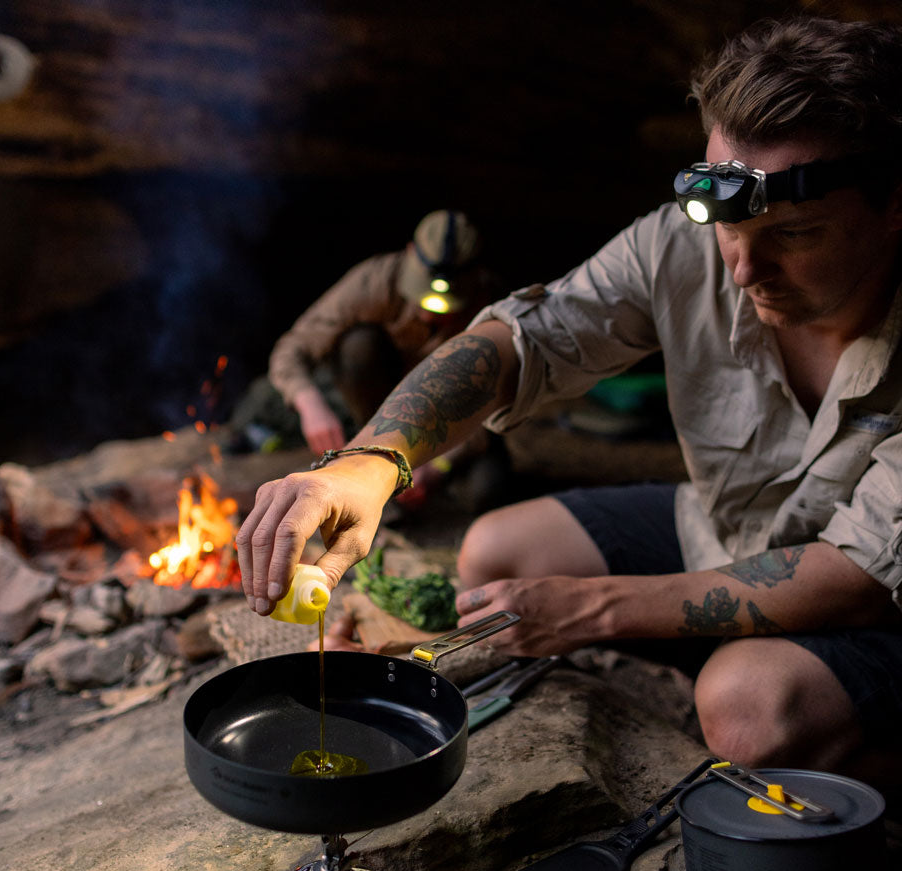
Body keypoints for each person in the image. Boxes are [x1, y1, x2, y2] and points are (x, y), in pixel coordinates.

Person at [235, 15, 902, 785]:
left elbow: (855, 578)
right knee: (494, 555)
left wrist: (596, 609)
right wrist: (370, 462)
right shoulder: (680, 247)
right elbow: (522, 342)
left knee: (748, 709)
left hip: (875, 601)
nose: (743, 270)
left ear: (894, 202)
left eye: (797, 233)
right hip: (734, 531)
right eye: (726, 227)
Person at [227, 209, 509, 509]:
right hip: (382, 404)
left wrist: (438, 466)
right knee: (358, 346)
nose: (430, 313)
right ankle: (373, 456)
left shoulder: (493, 307)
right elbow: (293, 347)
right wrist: (309, 404)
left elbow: (498, 404)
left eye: (448, 304)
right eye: (422, 294)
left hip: (453, 419)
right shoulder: (377, 280)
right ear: (410, 253)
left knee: (487, 490)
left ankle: (418, 484)